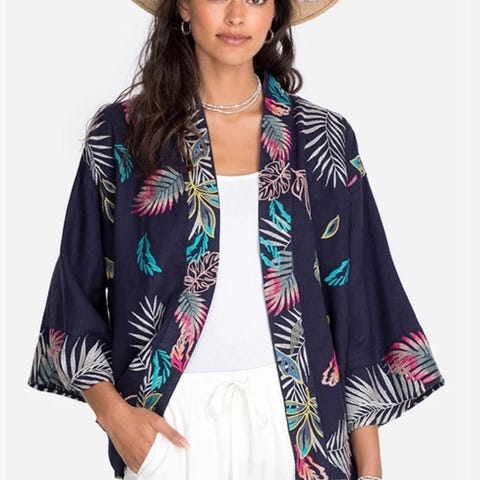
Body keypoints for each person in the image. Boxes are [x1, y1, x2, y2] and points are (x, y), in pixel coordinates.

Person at [26, 0, 446, 479]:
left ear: (275, 14)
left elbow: (357, 302)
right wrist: (115, 417)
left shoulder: (321, 138)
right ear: (183, 7)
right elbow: (73, 293)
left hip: (301, 426)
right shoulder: (122, 134)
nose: (236, 15)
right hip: (169, 424)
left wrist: (369, 469)